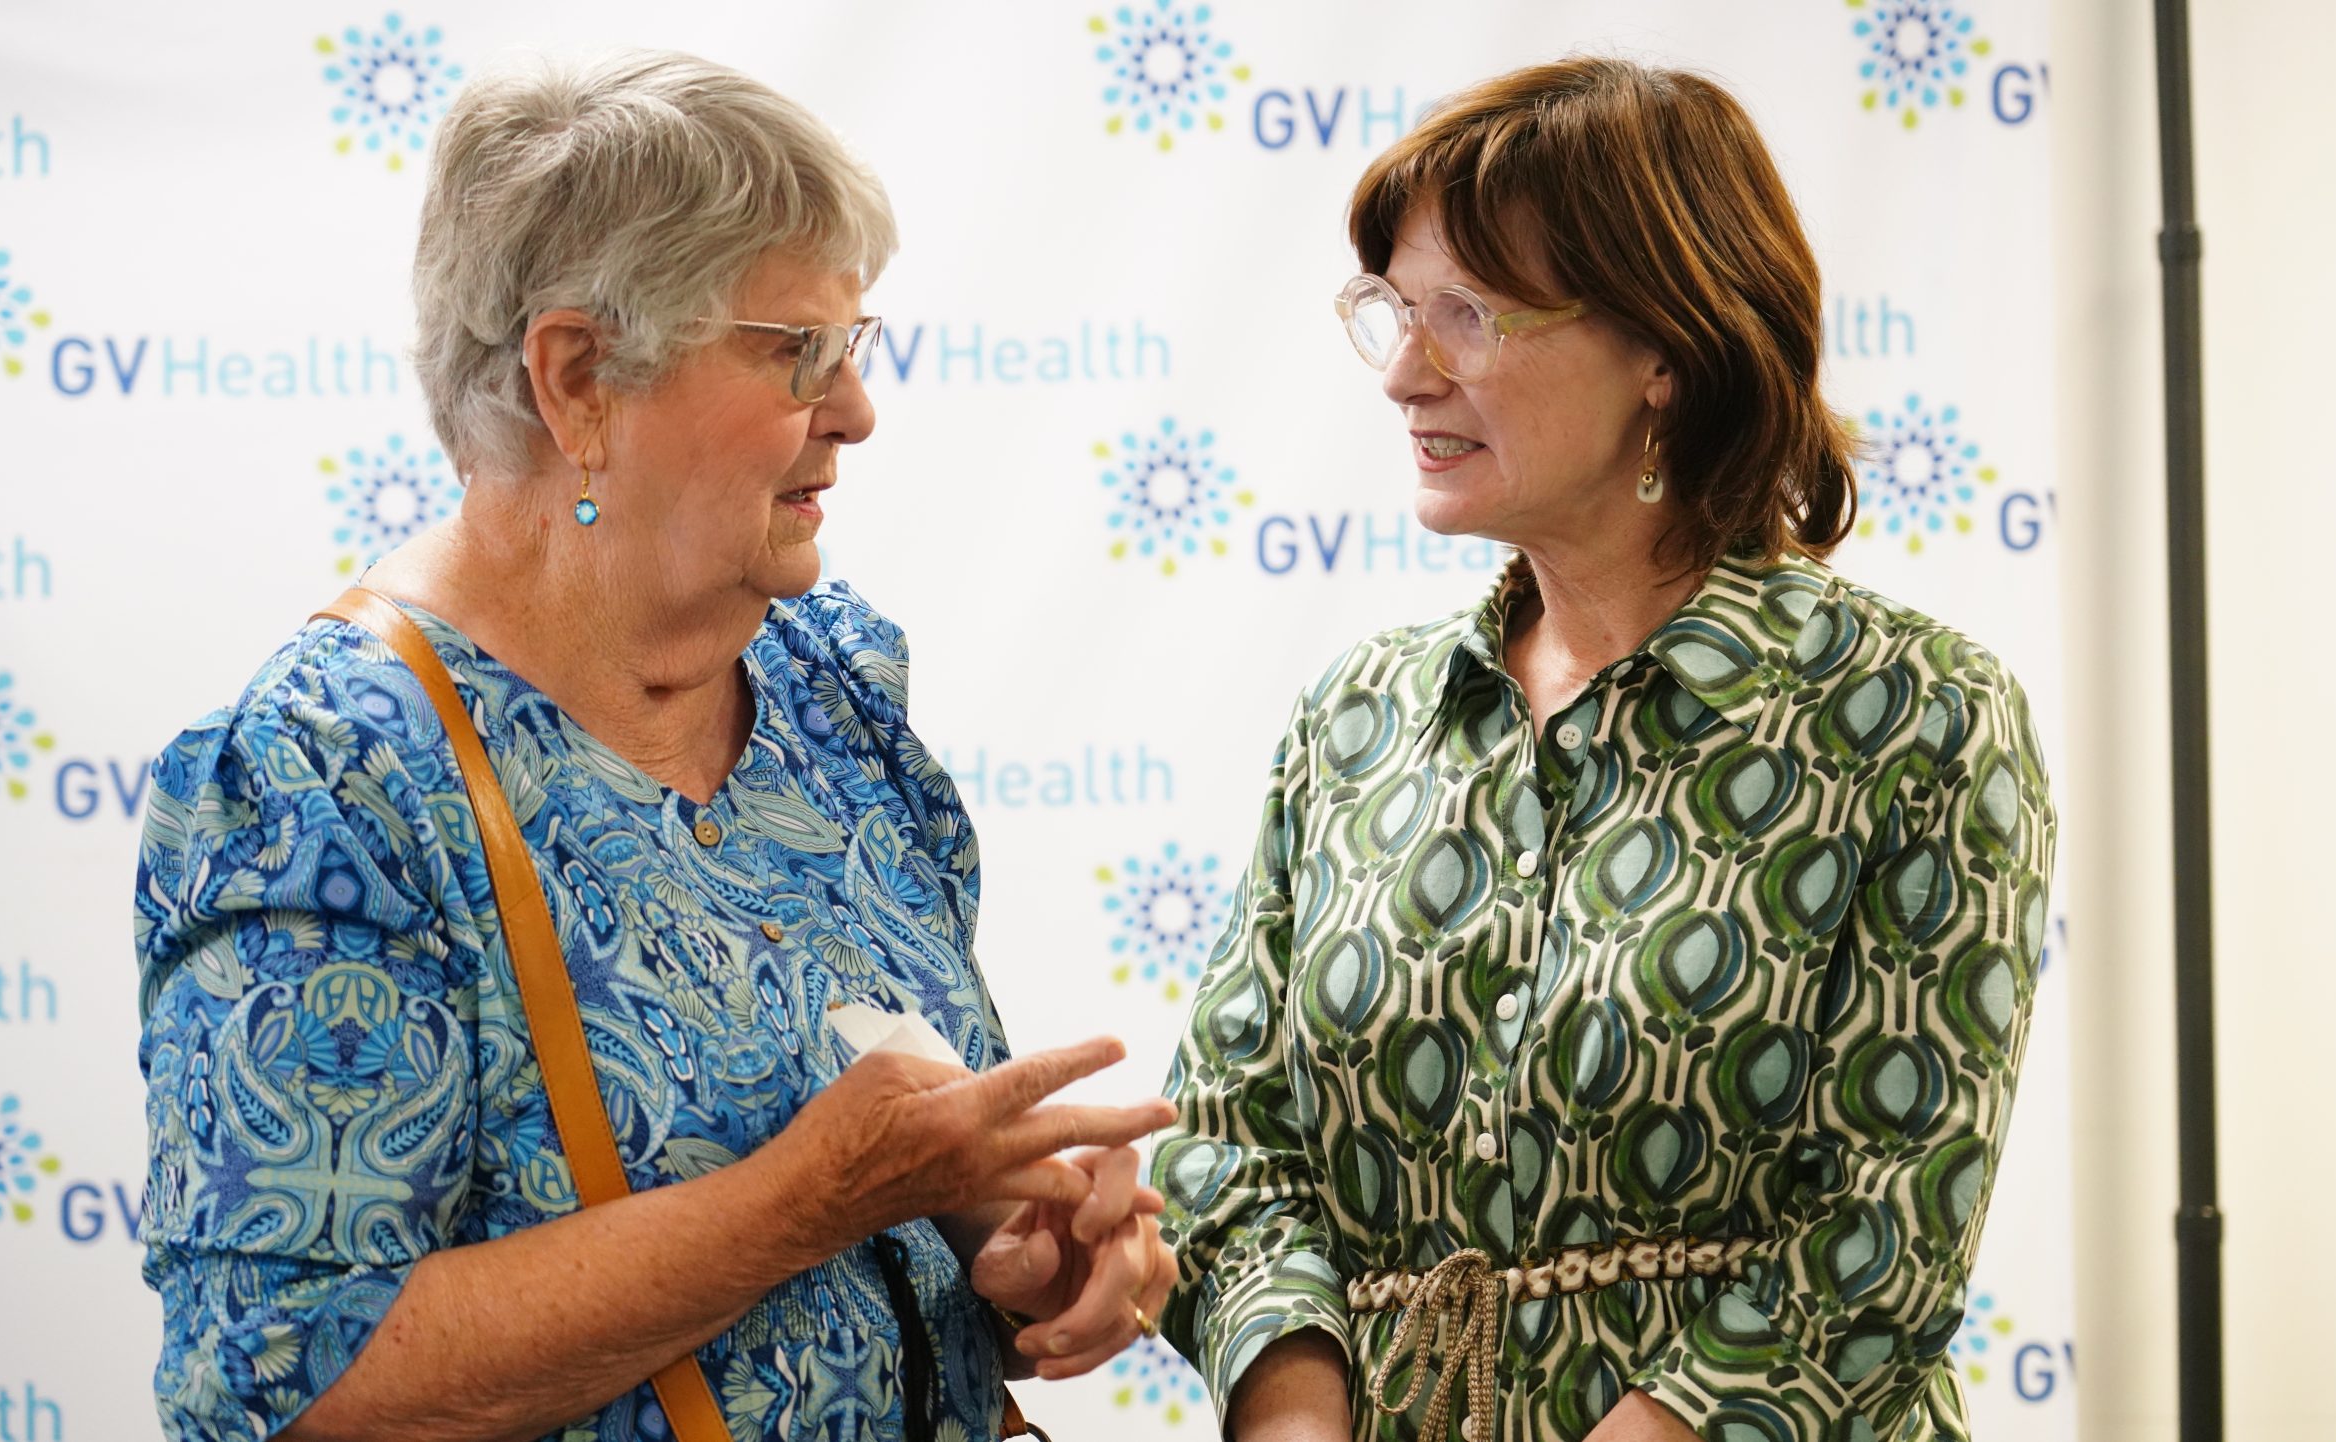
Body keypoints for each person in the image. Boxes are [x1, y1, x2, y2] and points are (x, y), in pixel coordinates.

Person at [134, 51, 1174, 1442]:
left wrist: (1021, 1252)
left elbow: (902, 1221)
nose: (858, 409)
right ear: (578, 380)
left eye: (857, 342)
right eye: (799, 350)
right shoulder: (329, 776)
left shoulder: (828, 681)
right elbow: (278, 1382)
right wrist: (808, 1198)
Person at [1155, 58, 2056, 1442]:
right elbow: (1226, 1140)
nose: (1404, 372)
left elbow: (1883, 1233)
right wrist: (1296, 1417)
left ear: (1666, 352)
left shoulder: (1916, 715)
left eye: (1468, 315)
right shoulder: (1358, 717)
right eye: (1396, 309)